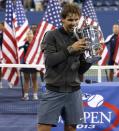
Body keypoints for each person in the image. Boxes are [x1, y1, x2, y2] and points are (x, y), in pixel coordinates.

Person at [37, 3, 92, 131]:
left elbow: (81, 70)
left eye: (76, 19)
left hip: (74, 91)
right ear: (62, 19)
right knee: (43, 128)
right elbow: (49, 61)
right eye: (70, 20)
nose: (73, 23)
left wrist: (90, 57)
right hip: (53, 90)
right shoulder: (51, 35)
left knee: (71, 128)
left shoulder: (80, 37)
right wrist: (71, 49)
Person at [20, 30, 39, 100]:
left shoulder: (36, 44)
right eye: (27, 34)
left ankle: (35, 95)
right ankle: (26, 95)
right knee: (26, 80)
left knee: (34, 80)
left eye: (30, 34)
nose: (29, 35)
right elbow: (19, 50)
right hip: (26, 64)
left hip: (33, 64)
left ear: (33, 35)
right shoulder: (24, 43)